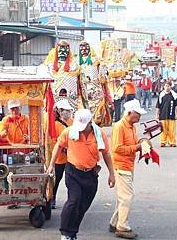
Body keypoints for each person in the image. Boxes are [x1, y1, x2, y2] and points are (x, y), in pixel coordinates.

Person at [47, 109, 115, 240]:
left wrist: (112, 174)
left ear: (90, 122)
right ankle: (65, 233)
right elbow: (58, 146)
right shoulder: (69, 131)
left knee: (83, 205)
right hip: (73, 172)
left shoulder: (99, 134)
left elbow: (106, 153)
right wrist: (51, 165)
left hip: (91, 174)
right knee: (74, 201)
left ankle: (72, 232)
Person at [109, 99, 146, 239]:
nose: (139, 117)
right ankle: (122, 226)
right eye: (137, 114)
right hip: (121, 166)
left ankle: (114, 223)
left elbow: (133, 142)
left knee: (122, 198)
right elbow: (117, 148)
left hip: (128, 165)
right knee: (126, 197)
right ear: (130, 113)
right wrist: (136, 148)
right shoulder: (119, 126)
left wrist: (141, 143)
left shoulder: (131, 126)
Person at [51, 99, 74, 209]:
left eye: (69, 110)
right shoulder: (55, 124)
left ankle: (72, 199)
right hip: (60, 157)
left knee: (71, 180)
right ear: (59, 111)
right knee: (57, 179)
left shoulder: (72, 121)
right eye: (66, 110)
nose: (68, 112)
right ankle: (52, 197)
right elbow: (55, 141)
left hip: (71, 157)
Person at [156, 81, 177, 148]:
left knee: (172, 130)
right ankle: (163, 142)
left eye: (168, 86)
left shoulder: (174, 95)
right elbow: (158, 106)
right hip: (163, 115)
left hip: (171, 115)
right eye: (166, 86)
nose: (167, 87)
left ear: (170, 87)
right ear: (164, 87)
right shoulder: (161, 95)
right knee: (163, 130)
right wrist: (157, 115)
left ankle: (172, 142)